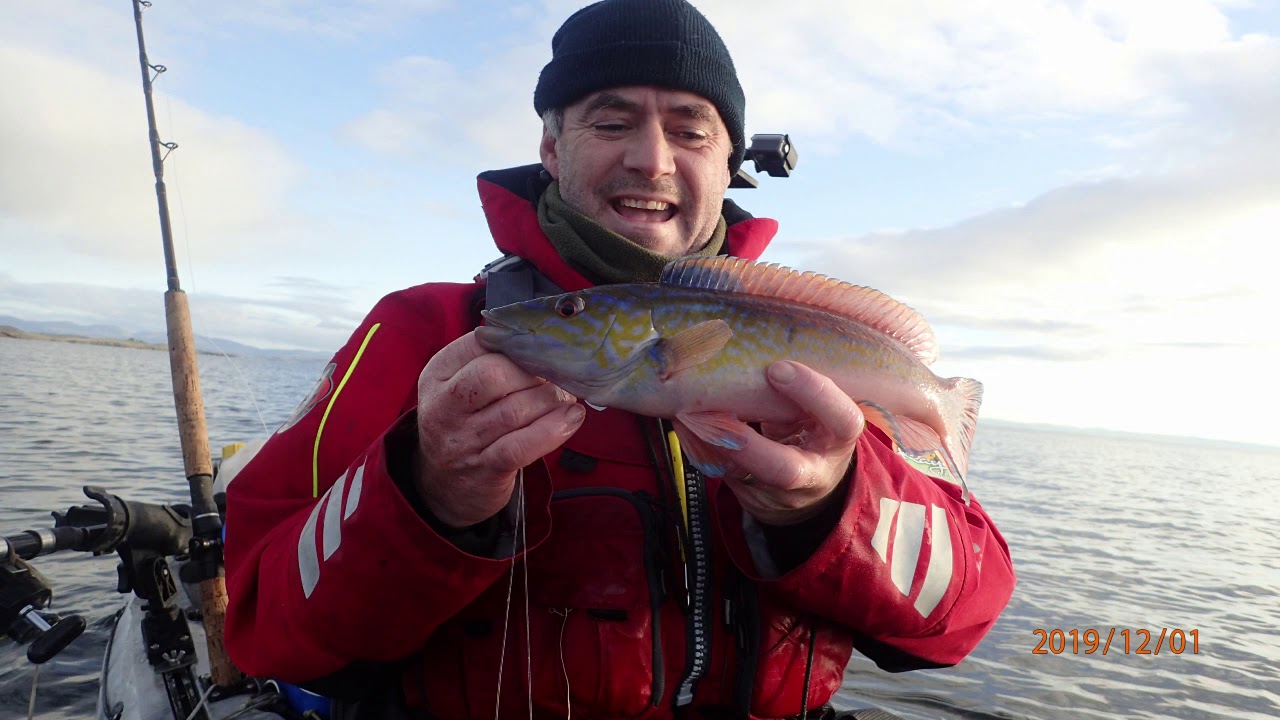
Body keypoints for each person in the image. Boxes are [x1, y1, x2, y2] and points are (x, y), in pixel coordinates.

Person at [223, 1, 1016, 718]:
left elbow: (961, 618)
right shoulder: (422, 332)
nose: (652, 158)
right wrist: (429, 492)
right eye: (611, 122)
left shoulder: (823, 358)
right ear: (551, 146)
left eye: (690, 128)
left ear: (730, 155)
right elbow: (263, 630)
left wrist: (828, 504)